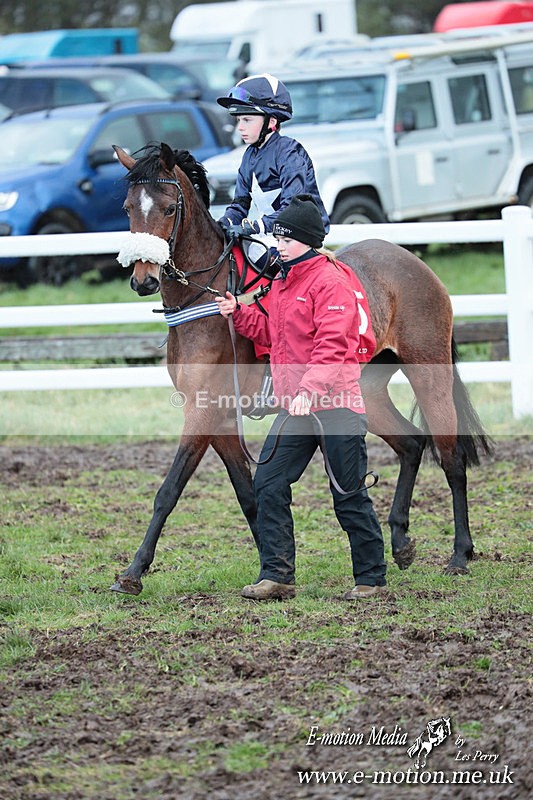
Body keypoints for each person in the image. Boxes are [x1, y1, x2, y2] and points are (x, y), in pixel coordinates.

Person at [215, 195, 387, 601]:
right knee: (269, 483)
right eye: (276, 237)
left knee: (348, 496)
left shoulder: (331, 282)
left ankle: (372, 579)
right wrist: (237, 313)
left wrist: (309, 392)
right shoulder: (282, 279)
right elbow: (274, 332)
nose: (277, 244)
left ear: (307, 241)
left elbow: (334, 345)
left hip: (336, 404)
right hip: (298, 405)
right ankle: (277, 576)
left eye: (285, 239)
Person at [216, 73, 329, 263]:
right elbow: (239, 205)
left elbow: (293, 208)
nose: (240, 128)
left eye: (247, 120)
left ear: (272, 122)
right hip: (271, 237)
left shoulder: (290, 152)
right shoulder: (248, 155)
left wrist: (253, 227)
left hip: (302, 239)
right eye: (238, 121)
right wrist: (222, 224)